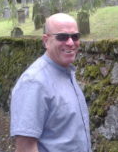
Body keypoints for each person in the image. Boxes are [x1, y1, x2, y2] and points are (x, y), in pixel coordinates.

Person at [10, 13, 91, 152]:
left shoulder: (66, 72)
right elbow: (25, 147)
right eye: (62, 37)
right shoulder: (34, 83)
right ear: (46, 41)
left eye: (75, 36)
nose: (71, 42)